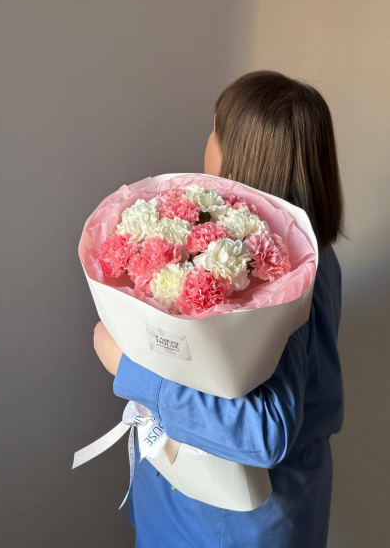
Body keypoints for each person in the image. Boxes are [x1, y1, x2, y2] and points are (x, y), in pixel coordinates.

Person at [93, 70, 347, 548]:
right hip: (232, 506)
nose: (207, 141)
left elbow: (263, 433)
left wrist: (129, 368)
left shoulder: (279, 280)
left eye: (215, 128)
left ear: (242, 154)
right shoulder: (314, 251)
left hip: (223, 523)